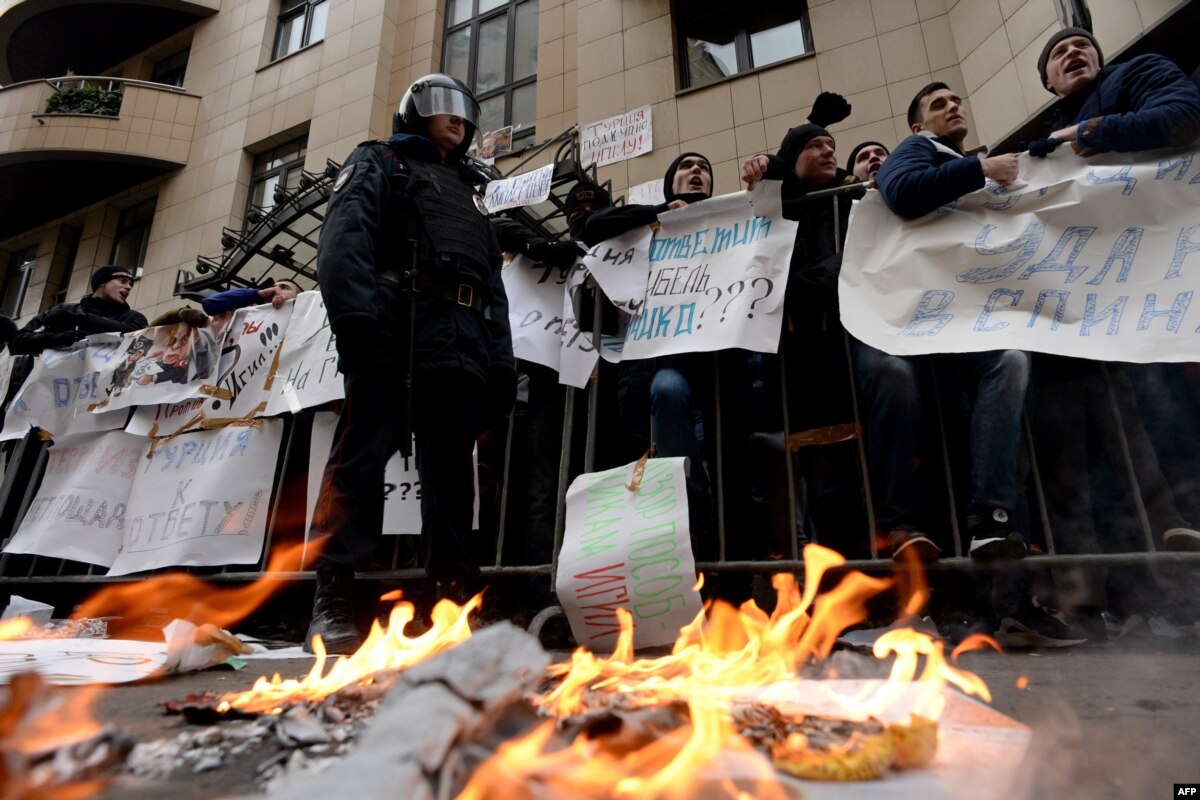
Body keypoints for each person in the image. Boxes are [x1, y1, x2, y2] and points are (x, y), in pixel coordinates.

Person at [306, 74, 515, 653]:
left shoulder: (470, 192)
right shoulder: (380, 161)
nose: (459, 118)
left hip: (461, 340)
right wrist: (359, 325)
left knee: (451, 478)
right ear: (414, 111)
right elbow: (345, 242)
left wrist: (500, 360)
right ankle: (335, 599)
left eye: (466, 111)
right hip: (394, 331)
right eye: (444, 106)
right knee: (361, 463)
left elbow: (490, 281)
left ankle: (452, 605)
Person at [874, 83, 1031, 560]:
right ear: (918, 127)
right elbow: (900, 190)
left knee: (1010, 362)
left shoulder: (960, 165)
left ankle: (992, 520)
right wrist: (981, 168)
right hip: (929, 320)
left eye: (955, 100)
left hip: (971, 319)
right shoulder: (918, 149)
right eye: (938, 104)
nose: (953, 107)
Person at [9, 265, 148, 355]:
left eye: (131, 284)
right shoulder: (61, 311)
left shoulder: (135, 318)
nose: (129, 287)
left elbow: (134, 336)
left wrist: (82, 320)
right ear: (102, 283)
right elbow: (17, 342)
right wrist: (55, 338)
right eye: (122, 281)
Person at [201, 278, 301, 315]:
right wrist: (257, 294)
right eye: (273, 287)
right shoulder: (255, 316)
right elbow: (210, 303)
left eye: (285, 288)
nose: (276, 290)